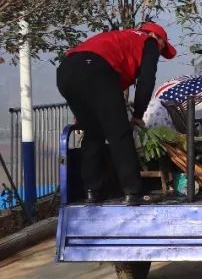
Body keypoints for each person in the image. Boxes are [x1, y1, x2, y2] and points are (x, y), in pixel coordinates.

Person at [56, 22, 177, 206]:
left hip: (66, 72)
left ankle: (92, 191)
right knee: (119, 133)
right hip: (95, 71)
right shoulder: (149, 41)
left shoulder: (120, 37)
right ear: (156, 37)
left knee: (93, 132)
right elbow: (147, 80)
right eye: (163, 48)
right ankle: (133, 192)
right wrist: (138, 114)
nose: (159, 53)